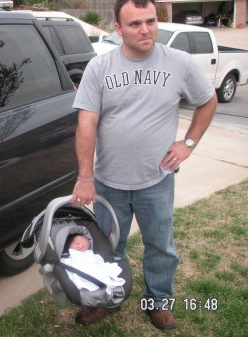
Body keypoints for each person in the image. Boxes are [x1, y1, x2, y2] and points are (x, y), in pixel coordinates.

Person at [71, 0, 217, 330]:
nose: (145, 29)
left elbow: (208, 100)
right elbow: (86, 123)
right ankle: (107, 298)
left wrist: (188, 143)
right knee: (107, 248)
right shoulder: (100, 67)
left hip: (157, 181)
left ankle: (158, 301)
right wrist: (84, 176)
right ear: (118, 29)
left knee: (161, 248)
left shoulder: (179, 63)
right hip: (109, 184)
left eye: (150, 21)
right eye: (135, 24)